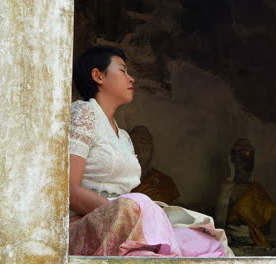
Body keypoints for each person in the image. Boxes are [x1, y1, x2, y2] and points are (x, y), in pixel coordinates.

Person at [68, 45, 232, 257]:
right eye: (122, 70)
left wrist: (138, 214)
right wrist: (128, 212)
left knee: (205, 242)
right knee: (140, 202)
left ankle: (158, 248)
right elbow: (70, 191)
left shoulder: (124, 136)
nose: (131, 78)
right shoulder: (84, 112)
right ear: (98, 76)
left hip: (129, 217)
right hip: (87, 222)